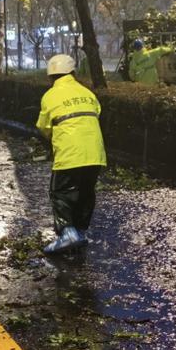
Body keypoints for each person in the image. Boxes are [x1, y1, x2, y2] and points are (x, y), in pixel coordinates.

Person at [36, 54, 107, 254]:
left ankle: (67, 233)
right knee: (86, 191)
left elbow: (43, 127)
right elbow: (96, 114)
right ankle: (81, 232)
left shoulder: (50, 96)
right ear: (73, 73)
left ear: (51, 77)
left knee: (60, 193)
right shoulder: (88, 93)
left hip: (69, 153)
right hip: (95, 153)